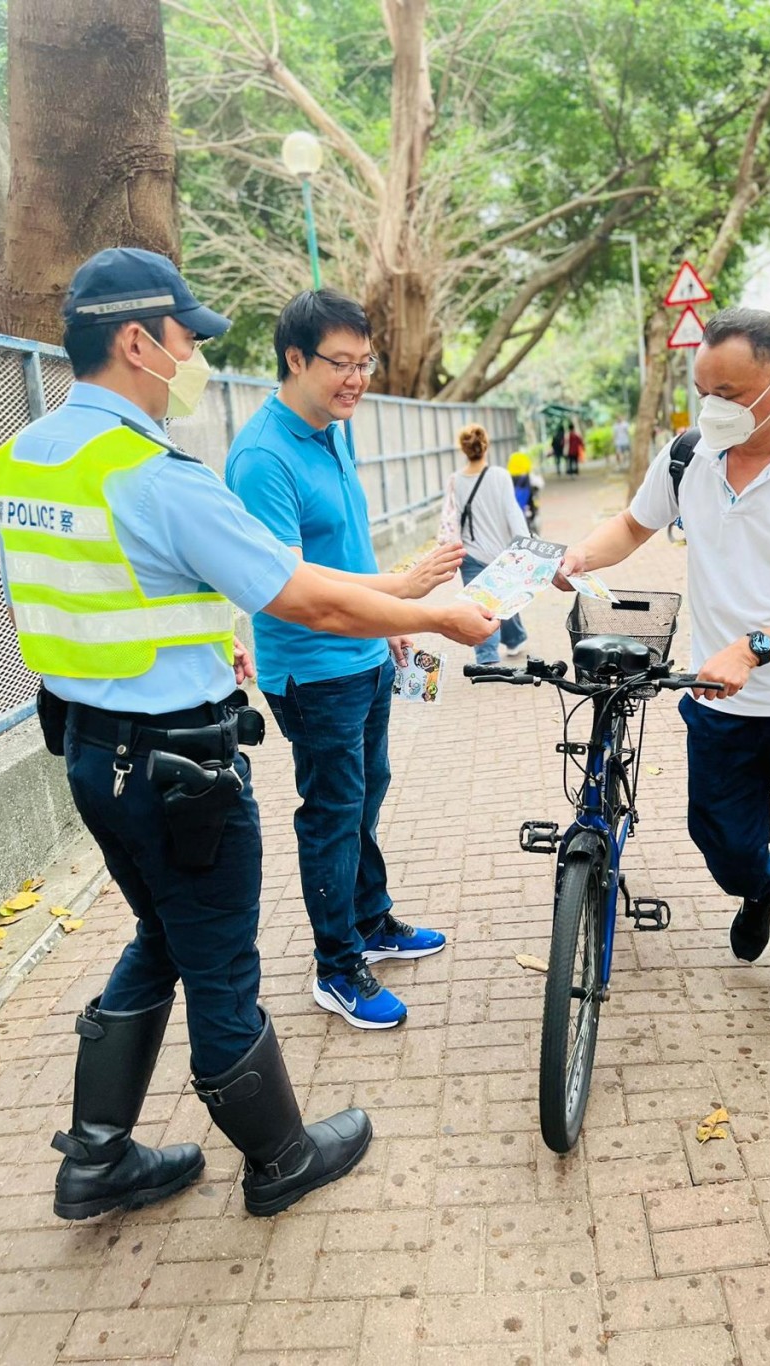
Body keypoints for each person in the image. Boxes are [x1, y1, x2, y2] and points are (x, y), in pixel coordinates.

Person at [0, 249, 494, 1223]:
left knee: (163, 937)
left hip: (90, 751)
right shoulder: (154, 475)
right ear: (137, 341)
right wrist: (434, 618)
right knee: (221, 963)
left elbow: (107, 589)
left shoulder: (21, 460)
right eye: (186, 339)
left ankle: (97, 1157)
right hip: (175, 766)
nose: (194, 359)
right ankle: (279, 1155)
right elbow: (304, 599)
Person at [557, 307, 770, 1067]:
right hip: (721, 698)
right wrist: (574, 554)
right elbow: (632, 529)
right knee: (721, 838)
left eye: (727, 392)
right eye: (702, 389)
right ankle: (757, 888)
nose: (711, 407)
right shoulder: (689, 456)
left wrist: (753, 648)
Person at [226, 289, 463, 1033]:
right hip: (312, 670)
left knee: (365, 796)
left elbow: (344, 550)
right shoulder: (262, 457)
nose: (357, 378)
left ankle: (371, 919)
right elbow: (294, 586)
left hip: (363, 654)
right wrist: (406, 595)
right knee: (331, 814)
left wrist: (390, 620)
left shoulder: (334, 427)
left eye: (365, 363)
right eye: (341, 364)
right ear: (294, 359)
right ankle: (337, 967)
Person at [453, 423, 531, 664]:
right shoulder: (500, 476)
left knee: (485, 603)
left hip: (471, 554)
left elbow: (452, 519)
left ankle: (512, 639)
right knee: (499, 598)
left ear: (463, 449)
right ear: (486, 446)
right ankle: (489, 655)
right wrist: (525, 545)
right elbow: (513, 512)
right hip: (501, 553)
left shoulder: (455, 480)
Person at [507, 450, 541, 533]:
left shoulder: (508, 478)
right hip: (527, 509)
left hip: (513, 510)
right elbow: (539, 484)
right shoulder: (528, 477)